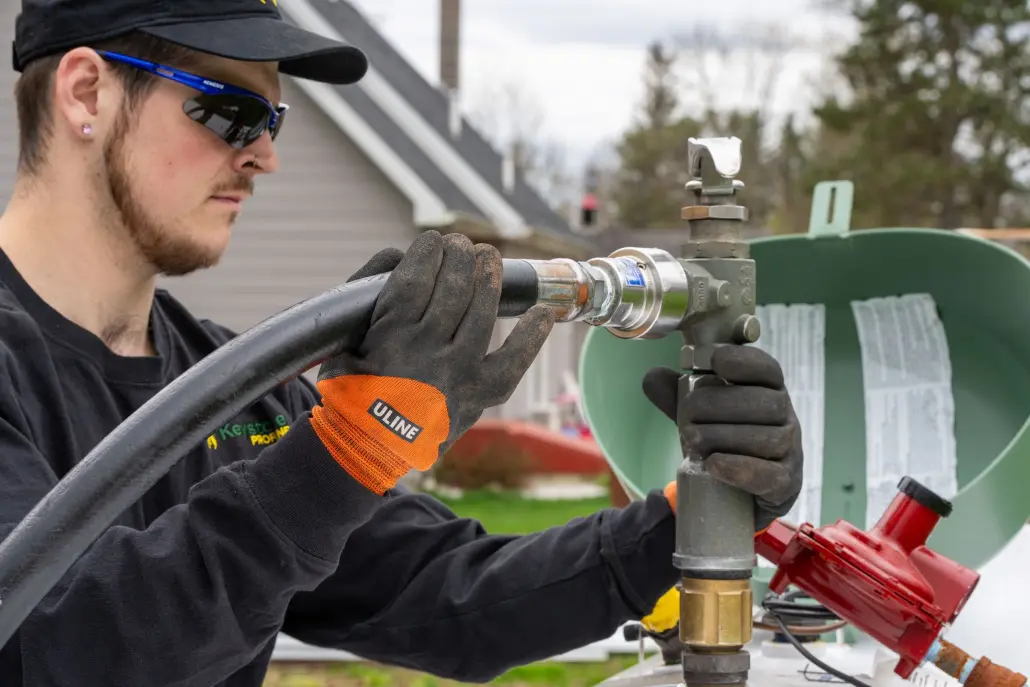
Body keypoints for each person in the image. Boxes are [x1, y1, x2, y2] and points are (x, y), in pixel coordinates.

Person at [0, 1, 805, 685]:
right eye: (232, 112)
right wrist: (339, 456)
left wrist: (685, 517)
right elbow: (56, 646)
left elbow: (444, 593)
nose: (265, 155)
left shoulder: (228, 387)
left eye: (273, 119)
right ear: (86, 92)